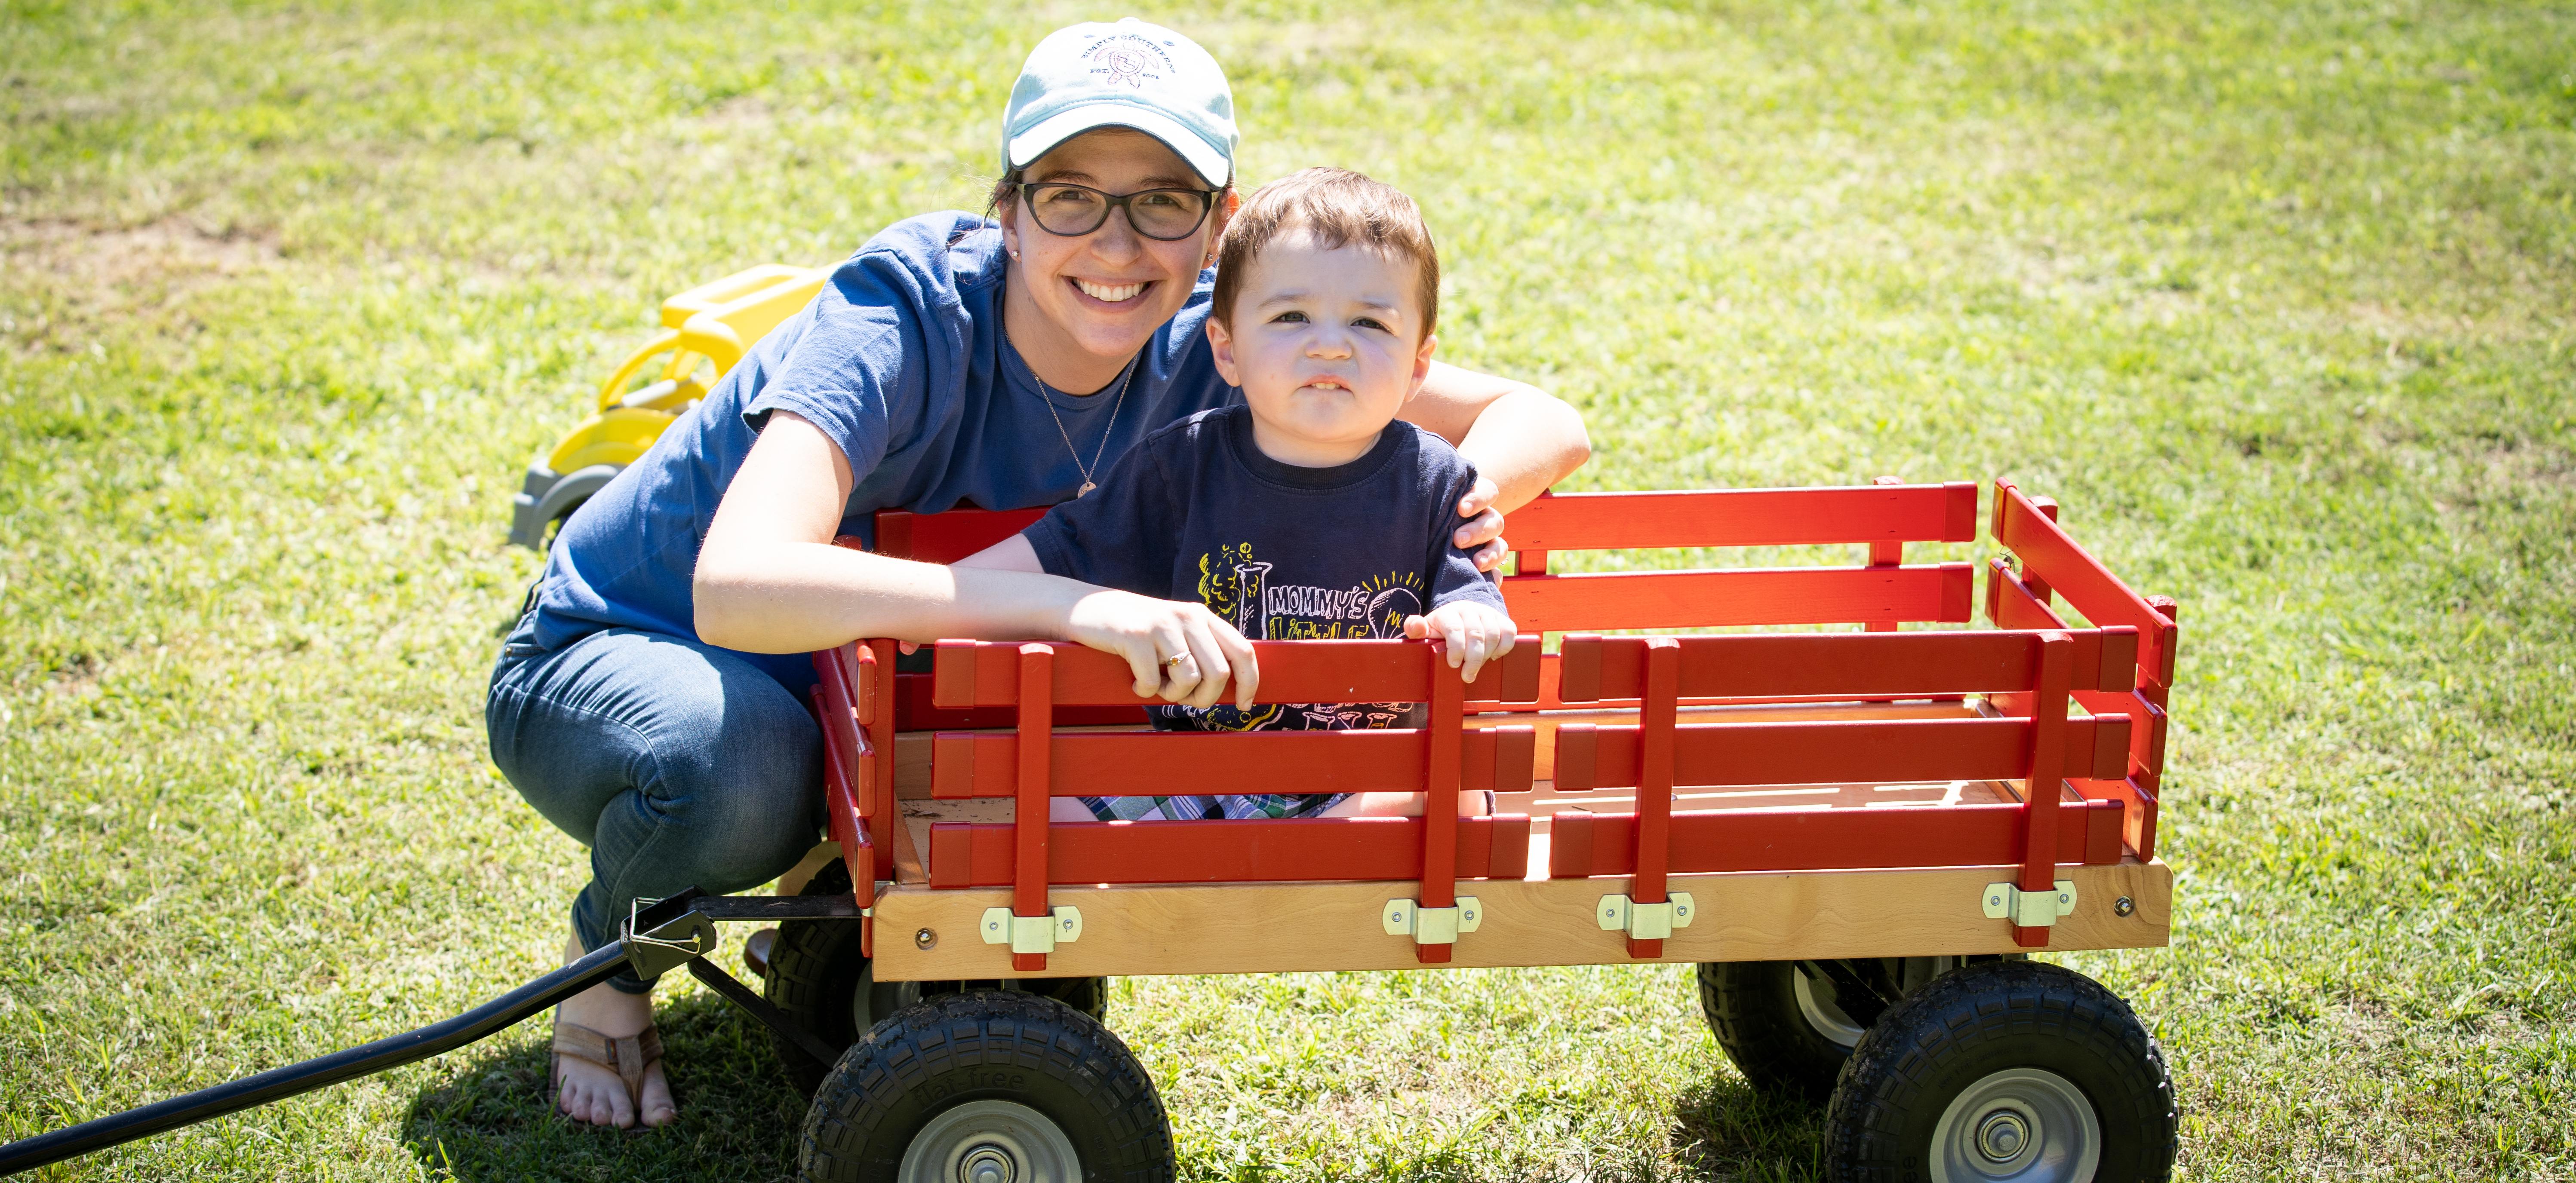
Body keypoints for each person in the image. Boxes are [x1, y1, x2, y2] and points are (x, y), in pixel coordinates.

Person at [486, 19, 1590, 1129]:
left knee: (982, 742)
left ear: (1219, 226)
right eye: (1069, 194)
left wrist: (1446, 504)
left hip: (863, 684)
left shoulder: (1221, 341)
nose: (1114, 245)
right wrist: (1074, 602)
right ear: (1006, 207)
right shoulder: (902, 311)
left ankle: (821, 894)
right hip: (637, 650)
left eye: (1160, 200)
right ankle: (608, 960)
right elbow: (738, 586)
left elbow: (1539, 419)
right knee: (731, 771)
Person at [957, 166, 1517, 824]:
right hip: (1197, 766)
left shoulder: (1434, 478)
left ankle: (1273, 872)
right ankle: (1236, 876)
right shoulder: (1180, 465)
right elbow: (1052, 556)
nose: (1330, 346)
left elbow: (1469, 592)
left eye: (1369, 323)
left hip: (1358, 779)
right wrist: (936, 598)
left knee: (1461, 803)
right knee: (1039, 816)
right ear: (1226, 351)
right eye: (1290, 316)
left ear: (1418, 365)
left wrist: (1468, 620)